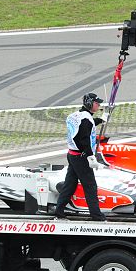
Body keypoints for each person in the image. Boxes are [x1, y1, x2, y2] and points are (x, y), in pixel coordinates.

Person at [54, 92, 106, 221]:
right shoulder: (86, 120)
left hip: (72, 155)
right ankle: (96, 215)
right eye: (96, 103)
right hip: (81, 157)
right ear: (89, 103)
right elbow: (83, 139)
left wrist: (100, 120)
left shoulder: (76, 115)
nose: (98, 105)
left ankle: (59, 211)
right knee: (90, 186)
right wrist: (90, 156)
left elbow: (86, 125)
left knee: (70, 185)